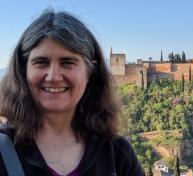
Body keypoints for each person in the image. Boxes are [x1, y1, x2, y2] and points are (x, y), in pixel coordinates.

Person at [0, 9, 143, 176]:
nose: (53, 76)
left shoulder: (118, 155)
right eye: (41, 62)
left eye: (67, 62)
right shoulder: (3, 153)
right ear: (24, 71)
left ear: (89, 72)